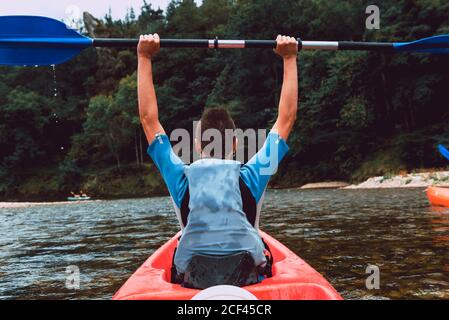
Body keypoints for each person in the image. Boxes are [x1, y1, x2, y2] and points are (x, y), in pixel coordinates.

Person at [137, 34, 298, 288]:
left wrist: (144, 57)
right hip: (246, 281)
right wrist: (289, 57)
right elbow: (286, 119)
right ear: (235, 144)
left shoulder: (180, 178)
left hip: (194, 282)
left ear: (198, 145)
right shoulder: (252, 176)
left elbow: (148, 120)